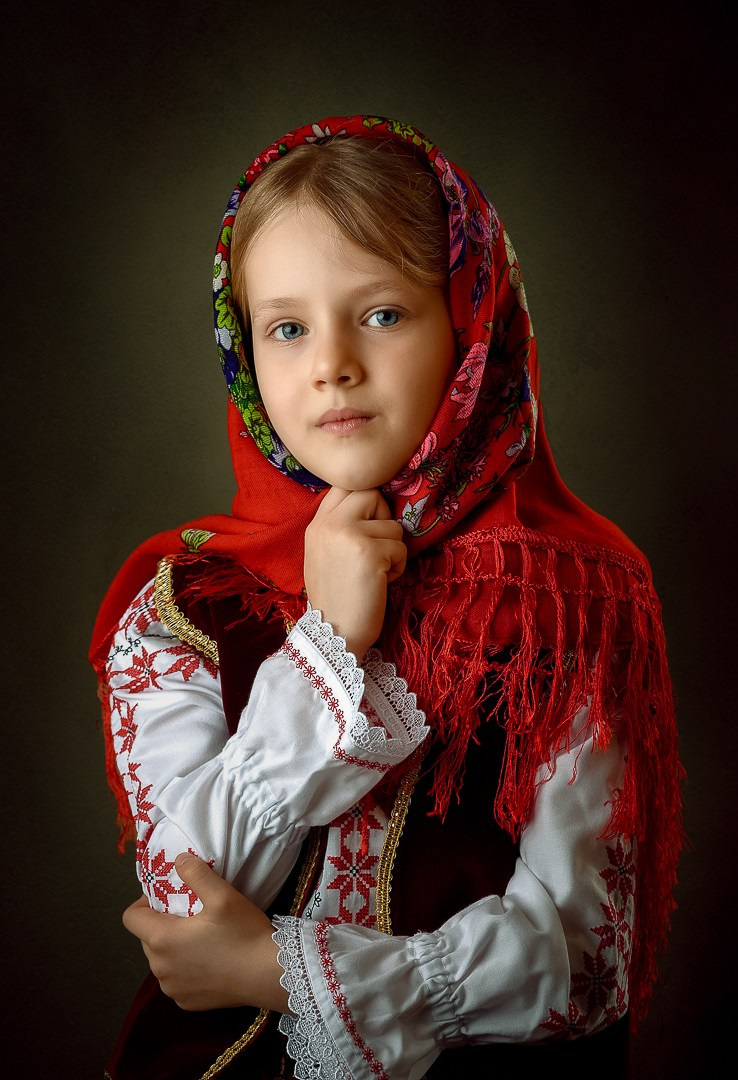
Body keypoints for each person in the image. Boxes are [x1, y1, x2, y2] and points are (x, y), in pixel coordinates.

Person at [89, 114, 685, 1080]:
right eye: (287, 328)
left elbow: (582, 963)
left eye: (381, 314)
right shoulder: (183, 605)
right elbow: (188, 899)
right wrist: (327, 637)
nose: (331, 363)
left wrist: (280, 969)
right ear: (244, 353)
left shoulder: (571, 598)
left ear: (471, 323)